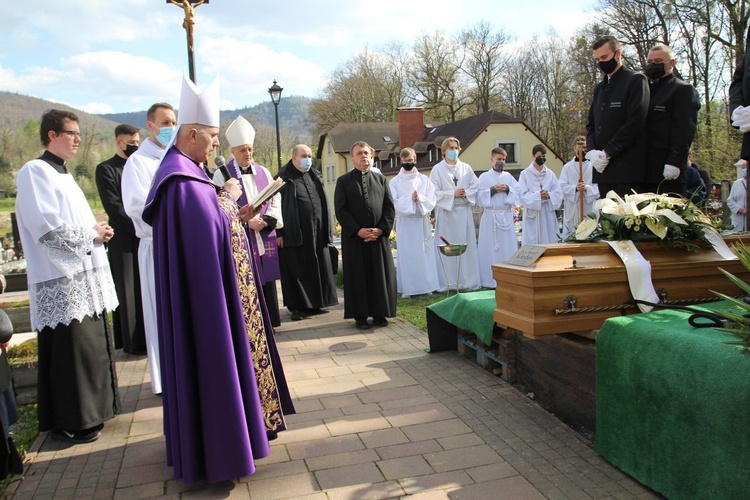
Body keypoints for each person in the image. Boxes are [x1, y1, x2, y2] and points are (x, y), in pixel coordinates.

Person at [142, 75, 269, 483]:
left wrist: (224, 202)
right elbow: (210, 228)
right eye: (213, 137)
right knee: (212, 364)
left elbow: (207, 225)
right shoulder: (181, 180)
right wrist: (229, 199)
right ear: (193, 133)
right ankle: (219, 455)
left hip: (199, 293)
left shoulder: (184, 172)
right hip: (205, 302)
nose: (217, 145)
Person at [15, 109, 120, 443]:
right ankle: (73, 419)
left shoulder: (65, 174)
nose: (78, 139)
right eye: (72, 133)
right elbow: (45, 226)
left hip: (84, 275)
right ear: (51, 135)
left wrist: (97, 231)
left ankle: (97, 410)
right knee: (71, 352)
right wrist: (91, 235)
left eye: (77, 133)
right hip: (62, 281)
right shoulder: (35, 171)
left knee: (90, 346)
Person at [122, 102, 176, 395]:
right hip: (156, 246)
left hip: (178, 244)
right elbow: (136, 207)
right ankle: (165, 379)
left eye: (174, 122)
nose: (170, 128)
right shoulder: (138, 163)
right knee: (161, 314)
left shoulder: (175, 157)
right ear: (150, 125)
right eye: (165, 122)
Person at [214, 116, 282, 327]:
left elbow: (274, 197)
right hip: (241, 235)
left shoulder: (263, 172)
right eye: (243, 150)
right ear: (232, 152)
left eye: (250, 149)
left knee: (267, 281)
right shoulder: (221, 175)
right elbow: (219, 203)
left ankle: (270, 322)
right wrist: (245, 223)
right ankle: (250, 323)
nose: (248, 154)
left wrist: (266, 220)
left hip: (262, 233)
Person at [95, 123, 146, 355]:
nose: (135, 146)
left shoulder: (140, 167)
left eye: (137, 142)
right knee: (127, 288)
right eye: (131, 143)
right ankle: (132, 342)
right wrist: (138, 224)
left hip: (144, 234)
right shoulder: (106, 169)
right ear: (119, 142)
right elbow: (114, 205)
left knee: (145, 286)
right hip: (123, 236)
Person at [334, 141, 397, 330]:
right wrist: (358, 230)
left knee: (379, 275)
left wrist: (381, 229)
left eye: (367, 153)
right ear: (352, 158)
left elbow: (389, 208)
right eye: (359, 153)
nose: (364, 157)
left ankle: (380, 313)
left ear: (372, 155)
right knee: (358, 277)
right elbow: (341, 210)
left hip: (378, 238)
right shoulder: (343, 181)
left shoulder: (381, 180)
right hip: (355, 239)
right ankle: (360, 315)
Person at [276, 144, 338, 321]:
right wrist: (279, 232)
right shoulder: (283, 178)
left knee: (317, 265)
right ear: (294, 157)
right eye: (304, 155)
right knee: (298, 268)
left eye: (310, 155)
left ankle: (316, 303)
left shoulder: (315, 175)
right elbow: (274, 206)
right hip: (295, 232)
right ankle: (298, 307)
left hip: (317, 231)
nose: (308, 159)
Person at [586, 36, 649, 197]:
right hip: (603, 170)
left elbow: (635, 122)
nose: (601, 63)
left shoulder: (635, 81)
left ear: (618, 53)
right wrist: (592, 151)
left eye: (604, 57)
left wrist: (608, 152)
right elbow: (591, 124)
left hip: (627, 169)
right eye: (597, 59)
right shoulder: (599, 88)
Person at [643, 43, 701, 196]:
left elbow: (684, 129)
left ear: (672, 63)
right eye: (649, 62)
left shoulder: (683, 90)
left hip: (667, 170)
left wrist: (674, 161)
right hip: (642, 169)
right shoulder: (644, 90)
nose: (653, 65)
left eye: (658, 61)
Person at [429, 137, 481, 291]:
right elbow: (434, 192)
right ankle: (447, 282)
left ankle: (467, 281)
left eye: (456, 148)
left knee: (466, 248)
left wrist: (465, 193)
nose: (453, 151)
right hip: (447, 213)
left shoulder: (466, 168)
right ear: (444, 151)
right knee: (448, 247)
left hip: (463, 213)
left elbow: (476, 186)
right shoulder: (437, 169)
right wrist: (452, 193)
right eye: (450, 148)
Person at [389, 147, 439, 297]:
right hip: (406, 222)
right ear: (400, 161)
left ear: (415, 160)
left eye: (410, 160)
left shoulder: (424, 179)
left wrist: (420, 199)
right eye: (405, 161)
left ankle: (426, 286)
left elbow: (432, 200)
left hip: (421, 221)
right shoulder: (395, 181)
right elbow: (393, 202)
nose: (408, 163)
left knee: (424, 254)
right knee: (407, 255)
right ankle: (408, 289)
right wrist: (410, 200)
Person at [476, 147, 519, 288]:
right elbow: (478, 197)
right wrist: (492, 191)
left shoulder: (509, 177)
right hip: (491, 216)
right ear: (492, 159)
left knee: (507, 248)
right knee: (489, 249)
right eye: (498, 159)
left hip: (505, 216)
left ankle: (509, 278)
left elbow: (518, 193)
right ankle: (489, 279)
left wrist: (508, 189)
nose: (501, 162)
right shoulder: (484, 177)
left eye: (503, 159)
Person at [519, 144, 563, 245]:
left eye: (544, 157)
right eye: (539, 157)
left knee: (549, 240)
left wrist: (549, 195)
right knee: (533, 241)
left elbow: (559, 193)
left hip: (547, 212)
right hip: (533, 214)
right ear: (533, 156)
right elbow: (522, 194)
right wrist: (538, 195)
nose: (542, 159)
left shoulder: (550, 174)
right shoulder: (525, 174)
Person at [559, 136, 600, 239]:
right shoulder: (567, 167)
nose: (582, 151)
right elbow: (562, 186)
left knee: (589, 233)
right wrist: (576, 188)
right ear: (574, 148)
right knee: (572, 234)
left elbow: (599, 187)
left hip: (588, 207)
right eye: (579, 149)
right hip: (573, 208)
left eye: (584, 148)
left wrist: (586, 188)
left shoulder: (593, 166)